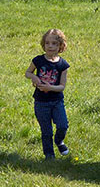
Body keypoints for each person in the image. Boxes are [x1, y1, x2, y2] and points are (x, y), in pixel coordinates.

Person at [25, 28, 71, 159]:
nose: (50, 46)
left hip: (56, 101)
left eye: (54, 43)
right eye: (47, 43)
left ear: (61, 46)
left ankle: (59, 141)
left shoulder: (63, 65)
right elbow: (27, 73)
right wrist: (33, 77)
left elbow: (62, 86)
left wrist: (49, 87)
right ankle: (49, 155)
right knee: (46, 131)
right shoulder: (38, 60)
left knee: (62, 125)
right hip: (41, 102)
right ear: (43, 44)